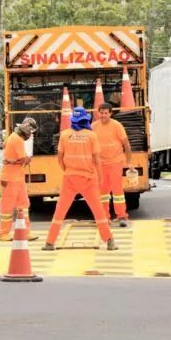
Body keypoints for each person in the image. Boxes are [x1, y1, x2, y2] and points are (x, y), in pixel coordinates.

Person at [43, 107, 117, 251]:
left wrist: (67, 171)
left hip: (69, 178)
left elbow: (59, 158)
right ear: (86, 119)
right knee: (99, 212)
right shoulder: (91, 136)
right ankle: (109, 241)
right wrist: (100, 178)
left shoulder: (64, 135)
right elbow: (97, 160)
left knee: (60, 212)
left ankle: (50, 242)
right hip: (88, 179)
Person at [93, 102, 133, 227]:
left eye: (106, 113)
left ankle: (121, 216)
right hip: (101, 164)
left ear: (111, 113)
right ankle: (104, 217)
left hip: (115, 162)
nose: (103, 115)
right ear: (98, 113)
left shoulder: (117, 126)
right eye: (101, 113)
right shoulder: (93, 126)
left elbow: (126, 145)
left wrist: (129, 162)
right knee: (103, 192)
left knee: (117, 191)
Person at [0, 117, 39, 242]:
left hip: (17, 177)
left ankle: (25, 231)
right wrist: (27, 158)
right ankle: (3, 233)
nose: (30, 137)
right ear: (26, 132)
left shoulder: (12, 136)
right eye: (30, 134)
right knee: (8, 207)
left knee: (24, 205)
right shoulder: (18, 140)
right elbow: (23, 159)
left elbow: (4, 145)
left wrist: (12, 160)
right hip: (11, 178)